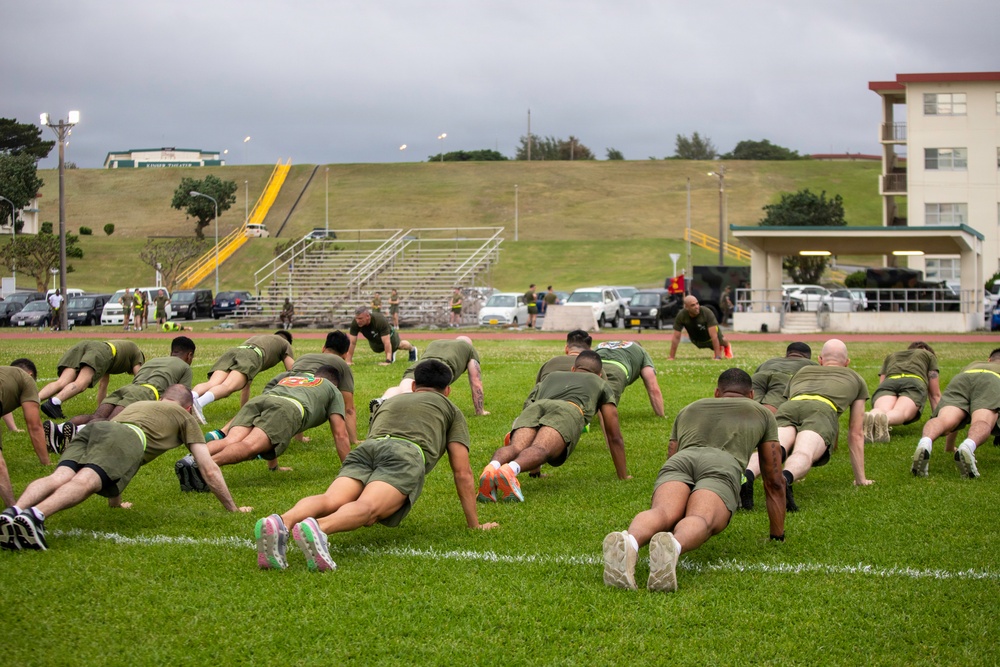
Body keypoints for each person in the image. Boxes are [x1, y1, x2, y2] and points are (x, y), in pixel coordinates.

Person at [252, 359, 497, 572]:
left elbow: (376, 437)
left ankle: (282, 521)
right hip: (404, 454)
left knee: (330, 499)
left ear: (413, 386)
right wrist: (474, 525)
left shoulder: (389, 402)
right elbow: (462, 472)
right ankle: (319, 528)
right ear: (448, 390)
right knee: (367, 508)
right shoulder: (450, 409)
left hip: (367, 449)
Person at [2, 386, 251, 551]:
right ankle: (35, 517)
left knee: (60, 476)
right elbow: (208, 468)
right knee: (86, 480)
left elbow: (115, 460)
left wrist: (116, 503)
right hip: (127, 437)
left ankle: (14, 512)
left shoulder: (139, 406)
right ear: (188, 407)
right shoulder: (184, 416)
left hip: (96, 429)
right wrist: (233, 507)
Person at [602, 368, 785, 592]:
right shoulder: (762, 412)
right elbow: (774, 479)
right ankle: (674, 546)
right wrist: (777, 535)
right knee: (701, 518)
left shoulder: (689, 409)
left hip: (680, 461)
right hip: (721, 463)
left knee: (663, 512)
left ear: (718, 392)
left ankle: (630, 541)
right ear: (751, 395)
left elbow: (672, 452)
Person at [477, 350, 627, 503]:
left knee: (516, 446)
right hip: (568, 409)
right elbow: (614, 435)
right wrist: (623, 475)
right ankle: (510, 470)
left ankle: (491, 468)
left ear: (573, 369)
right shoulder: (600, 383)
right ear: (599, 374)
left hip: (536, 407)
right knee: (541, 449)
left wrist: (534, 468)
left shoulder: (550, 377)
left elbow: (528, 404)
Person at [743, 339, 870, 512]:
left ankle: (747, 474)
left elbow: (788, 399)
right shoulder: (856, 378)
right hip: (821, 410)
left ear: (820, 360)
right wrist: (860, 479)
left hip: (790, 406)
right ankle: (785, 479)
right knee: (804, 451)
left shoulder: (802, 371)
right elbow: (856, 433)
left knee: (775, 447)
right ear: (847, 363)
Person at [176, 366, 350, 490]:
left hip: (262, 400)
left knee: (231, 439)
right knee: (249, 446)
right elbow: (340, 434)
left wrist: (273, 466)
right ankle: (205, 468)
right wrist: (349, 471)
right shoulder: (332, 390)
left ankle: (192, 459)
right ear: (335, 383)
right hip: (287, 408)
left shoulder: (292, 378)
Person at [44, 336, 197, 453]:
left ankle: (58, 429)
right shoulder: (184, 367)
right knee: (112, 422)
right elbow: (181, 394)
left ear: (172, 351)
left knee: (96, 416)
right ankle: (77, 433)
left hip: (126, 389)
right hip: (146, 393)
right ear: (189, 355)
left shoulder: (154, 360)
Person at [911, 348, 1000, 479]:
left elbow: (957, 422)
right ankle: (968, 446)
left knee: (944, 419)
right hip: (992, 380)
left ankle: (925, 443)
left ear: (989, 359)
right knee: (982, 420)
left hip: (963, 378)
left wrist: (950, 447)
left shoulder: (973, 364)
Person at [263, 330, 358, 445]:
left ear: (323, 348)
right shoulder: (342, 364)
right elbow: (348, 409)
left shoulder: (303, 358)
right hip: (307, 399)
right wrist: (353, 440)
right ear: (345, 354)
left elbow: (297, 387)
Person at [190, 331, 294, 423]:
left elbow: (246, 386)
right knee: (227, 386)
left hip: (235, 351)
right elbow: (292, 371)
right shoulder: (285, 343)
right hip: (252, 355)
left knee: (212, 383)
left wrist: (243, 412)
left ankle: (188, 399)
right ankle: (199, 403)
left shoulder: (259, 338)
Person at [374, 336, 488, 416]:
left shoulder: (435, 342)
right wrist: (480, 410)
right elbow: (475, 381)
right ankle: (406, 409)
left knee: (404, 388)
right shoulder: (469, 348)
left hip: (420, 366)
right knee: (419, 398)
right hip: (440, 369)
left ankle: (384, 400)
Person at [38, 339, 145, 420]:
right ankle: (55, 402)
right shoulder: (137, 354)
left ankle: (33, 401)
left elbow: (103, 386)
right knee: (82, 383)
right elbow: (140, 380)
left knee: (62, 382)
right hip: (101, 351)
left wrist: (101, 410)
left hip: (88, 345)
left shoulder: (116, 355)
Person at [865, 342, 941, 443]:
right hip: (913, 381)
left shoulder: (892, 356)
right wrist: (940, 421)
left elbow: (882, 383)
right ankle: (886, 420)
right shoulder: (929, 356)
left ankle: (872, 417)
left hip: (890, 381)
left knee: (881, 409)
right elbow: (935, 395)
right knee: (900, 411)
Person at [0, 359, 48, 508]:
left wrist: (12, 427)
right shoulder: (27, 380)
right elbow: (34, 426)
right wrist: (46, 463)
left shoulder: (5, 375)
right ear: (31, 374)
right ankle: (13, 512)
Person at [595, 340, 665, 417]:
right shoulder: (641, 351)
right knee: (606, 404)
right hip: (616, 369)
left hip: (593, 366)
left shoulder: (601, 345)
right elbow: (653, 388)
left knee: (585, 397)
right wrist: (661, 415)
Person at [751, 342, 817, 415]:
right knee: (770, 410)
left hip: (759, 375)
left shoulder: (770, 361)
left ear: (787, 354)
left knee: (750, 404)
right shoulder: (811, 363)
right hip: (784, 377)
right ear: (808, 357)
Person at [345, 306, 416, 367]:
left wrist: (388, 361)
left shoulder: (379, 320)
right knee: (376, 349)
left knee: (399, 345)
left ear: (367, 316)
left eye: (360, 318)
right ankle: (391, 351)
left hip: (390, 336)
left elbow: (387, 342)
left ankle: (412, 349)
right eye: (356, 318)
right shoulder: (355, 323)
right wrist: (349, 360)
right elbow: (352, 343)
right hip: (375, 339)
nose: (358, 321)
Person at [668, 295, 733, 361]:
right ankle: (718, 348)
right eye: (693, 305)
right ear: (686, 307)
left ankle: (727, 346)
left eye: (697, 303)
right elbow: (676, 337)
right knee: (703, 345)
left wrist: (717, 357)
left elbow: (714, 337)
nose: (697, 307)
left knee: (721, 340)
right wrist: (671, 357)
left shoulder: (707, 312)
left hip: (710, 337)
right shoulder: (681, 316)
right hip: (697, 340)